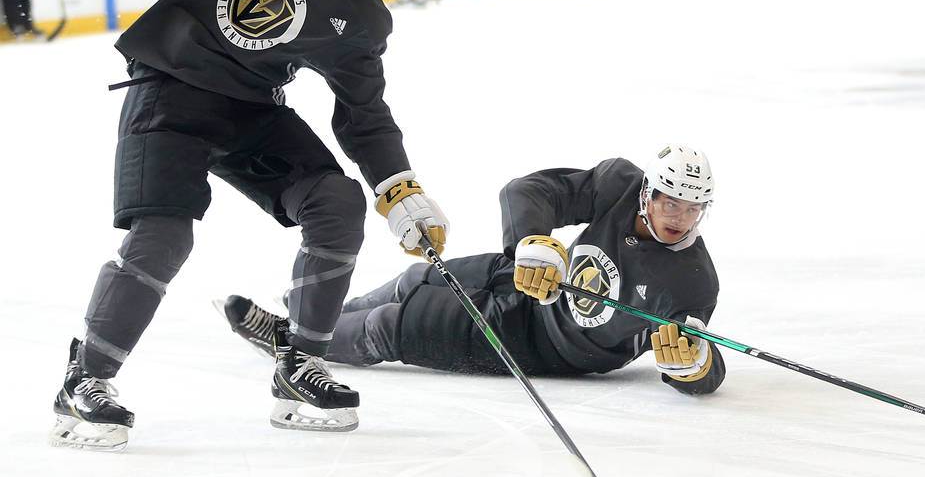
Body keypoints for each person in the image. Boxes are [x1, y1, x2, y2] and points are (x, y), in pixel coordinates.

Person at [3, 0, 450, 450]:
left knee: (337, 201)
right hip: (172, 88)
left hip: (251, 112)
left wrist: (400, 189)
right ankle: (85, 379)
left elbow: (363, 115)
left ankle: (301, 365)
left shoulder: (362, 19)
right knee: (163, 238)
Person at [221, 145, 725, 396]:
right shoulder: (617, 184)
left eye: (692, 209)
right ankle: (316, 318)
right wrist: (536, 242)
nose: (680, 219)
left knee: (390, 326)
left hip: (537, 344)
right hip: (524, 280)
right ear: (647, 192)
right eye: (670, 204)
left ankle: (292, 340)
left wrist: (694, 366)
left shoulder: (691, 278)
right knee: (413, 281)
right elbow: (528, 192)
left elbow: (702, 356)